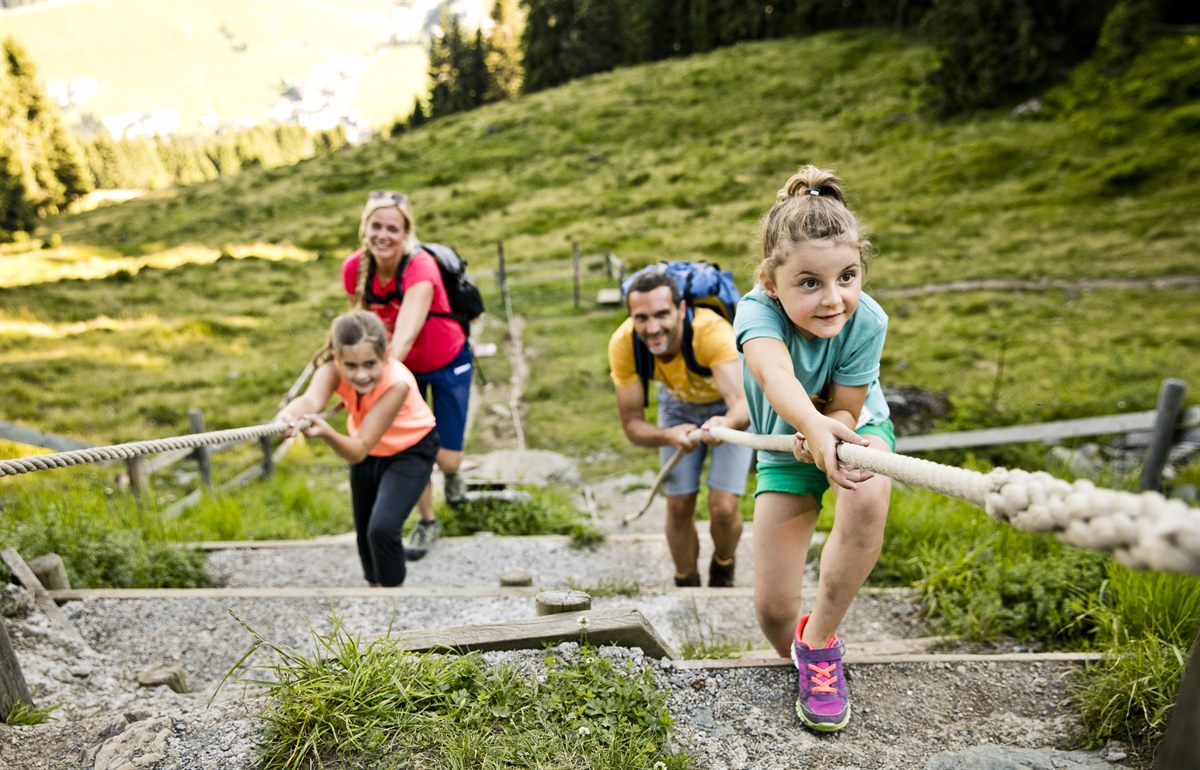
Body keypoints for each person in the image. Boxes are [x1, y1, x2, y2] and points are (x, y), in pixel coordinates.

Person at [734, 165, 894, 733]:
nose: (834, 300)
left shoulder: (867, 317)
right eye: (810, 283)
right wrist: (808, 427)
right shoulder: (755, 311)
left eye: (848, 276)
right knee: (774, 612)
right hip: (785, 445)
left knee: (870, 492)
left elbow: (849, 406)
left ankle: (822, 643)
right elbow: (776, 375)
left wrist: (831, 428)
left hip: (853, 428)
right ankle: (798, 646)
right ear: (771, 281)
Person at [340, 190, 474, 560]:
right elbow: (359, 330)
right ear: (365, 228)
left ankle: (452, 475)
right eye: (376, 226)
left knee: (446, 458)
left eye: (393, 229)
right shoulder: (354, 269)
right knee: (410, 447)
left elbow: (405, 335)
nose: (384, 235)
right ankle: (428, 521)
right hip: (401, 372)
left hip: (445, 361)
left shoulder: (421, 266)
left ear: (407, 233)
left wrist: (370, 379)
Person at [607, 269, 753, 587]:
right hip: (676, 405)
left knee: (723, 507)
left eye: (662, 314)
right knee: (677, 504)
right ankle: (686, 584)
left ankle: (723, 566)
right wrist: (666, 435)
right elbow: (632, 424)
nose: (652, 327)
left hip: (727, 407)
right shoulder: (624, 345)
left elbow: (742, 403)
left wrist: (726, 424)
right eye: (641, 318)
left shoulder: (712, 333)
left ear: (681, 309)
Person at [278, 310, 439, 588]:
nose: (361, 374)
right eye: (350, 366)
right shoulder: (331, 369)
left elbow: (358, 450)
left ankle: (392, 594)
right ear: (337, 357)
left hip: (410, 449)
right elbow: (310, 400)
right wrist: (287, 416)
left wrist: (328, 434)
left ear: (386, 355)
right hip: (368, 447)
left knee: (382, 528)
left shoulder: (396, 383)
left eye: (370, 364)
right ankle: (373, 588)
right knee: (364, 530)